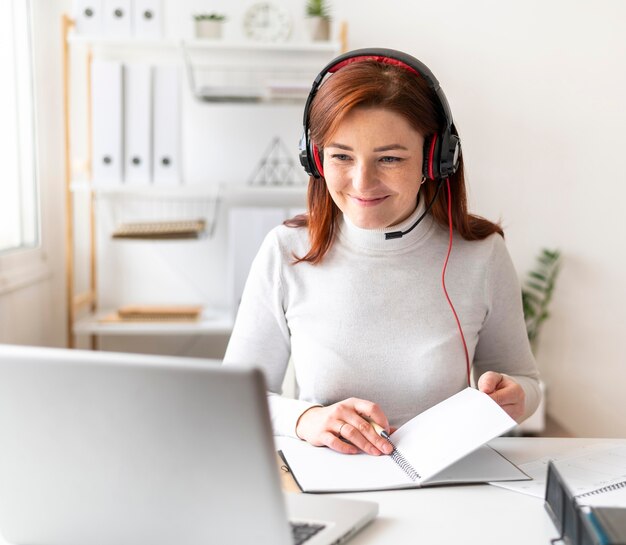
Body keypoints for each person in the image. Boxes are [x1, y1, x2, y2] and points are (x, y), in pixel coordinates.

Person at [224, 48, 541, 458]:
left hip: (449, 488)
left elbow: (524, 381)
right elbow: (235, 400)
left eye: (389, 158)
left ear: (434, 159)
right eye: (341, 156)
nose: (362, 182)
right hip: (331, 482)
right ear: (315, 157)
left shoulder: (481, 254)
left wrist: (517, 397)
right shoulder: (286, 252)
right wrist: (306, 420)